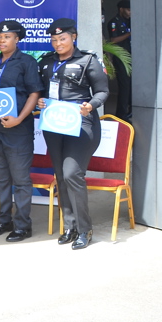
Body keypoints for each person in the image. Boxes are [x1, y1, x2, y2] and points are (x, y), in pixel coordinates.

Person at [37, 18, 109, 250]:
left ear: (73, 37)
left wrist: (92, 105)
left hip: (81, 123)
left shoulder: (88, 60)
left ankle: (85, 229)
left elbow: (102, 90)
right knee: (60, 175)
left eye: (63, 38)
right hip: (55, 124)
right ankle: (70, 226)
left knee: (71, 173)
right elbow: (41, 90)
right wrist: (39, 101)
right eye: (54, 39)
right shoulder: (46, 62)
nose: (58, 43)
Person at [0, 21, 43, 242]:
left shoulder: (27, 62)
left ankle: (23, 225)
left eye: (7, 37)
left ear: (17, 39)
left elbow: (34, 93)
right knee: (1, 178)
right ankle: (4, 221)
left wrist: (20, 118)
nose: (1, 41)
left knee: (21, 179)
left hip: (18, 129)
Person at [107, 0, 132, 121]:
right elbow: (113, 40)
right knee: (125, 86)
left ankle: (131, 111)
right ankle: (121, 114)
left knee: (132, 86)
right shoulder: (114, 22)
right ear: (121, 9)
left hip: (132, 57)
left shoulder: (130, 22)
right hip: (120, 58)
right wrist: (129, 34)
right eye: (128, 10)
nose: (130, 12)